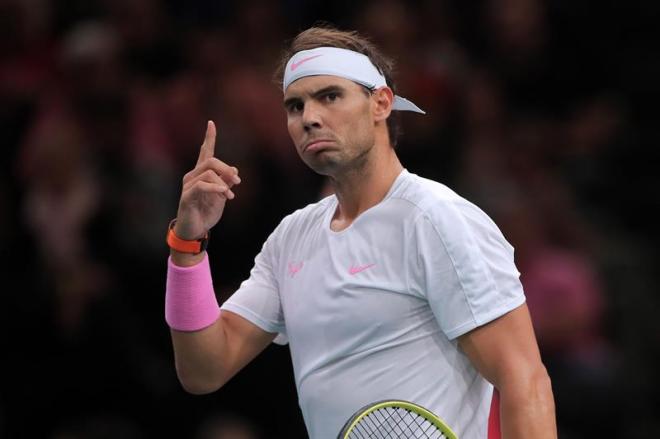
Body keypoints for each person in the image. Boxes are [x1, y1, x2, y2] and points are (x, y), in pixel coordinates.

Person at [164, 26, 556, 438]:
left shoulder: (437, 220)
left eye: (329, 96)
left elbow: (525, 382)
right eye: (295, 106)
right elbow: (203, 369)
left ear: (381, 103)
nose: (309, 118)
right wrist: (187, 245)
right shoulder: (291, 238)